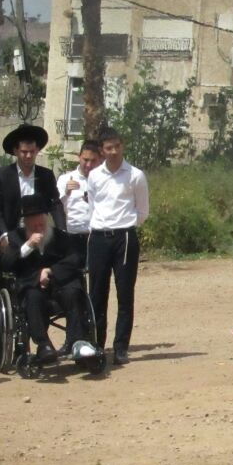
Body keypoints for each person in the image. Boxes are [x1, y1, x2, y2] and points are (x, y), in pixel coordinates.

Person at [0, 124, 62, 370]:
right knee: (0, 294)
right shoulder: (2, 176)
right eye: (23, 152)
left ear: (37, 151)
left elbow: (55, 204)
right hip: (10, 242)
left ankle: (40, 344)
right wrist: (4, 234)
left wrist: (61, 230)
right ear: (15, 152)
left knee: (38, 290)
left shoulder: (46, 176)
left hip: (39, 240)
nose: (28, 156)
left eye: (32, 151)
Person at [0, 194, 89, 363]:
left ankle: (78, 342)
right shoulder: (14, 238)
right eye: (34, 224)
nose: (38, 226)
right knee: (33, 298)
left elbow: (75, 259)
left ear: (46, 218)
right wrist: (28, 246)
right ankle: (43, 345)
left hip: (59, 286)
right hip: (31, 288)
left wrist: (50, 271)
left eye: (41, 222)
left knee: (74, 293)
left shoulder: (60, 237)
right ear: (25, 223)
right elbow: (6, 265)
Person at [87, 125, 149, 366]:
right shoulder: (94, 176)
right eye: (108, 148)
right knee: (97, 293)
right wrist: (102, 225)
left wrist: (124, 225)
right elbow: (93, 205)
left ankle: (121, 346)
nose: (113, 151)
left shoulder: (135, 175)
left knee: (125, 293)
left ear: (122, 146)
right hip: (99, 238)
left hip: (124, 238)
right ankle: (96, 345)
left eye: (117, 146)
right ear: (102, 151)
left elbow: (142, 211)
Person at [56, 139, 103, 267]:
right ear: (79, 157)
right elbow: (56, 207)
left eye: (93, 161)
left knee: (96, 277)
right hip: (72, 236)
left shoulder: (103, 181)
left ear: (100, 160)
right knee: (72, 276)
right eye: (85, 160)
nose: (88, 165)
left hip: (95, 236)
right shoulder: (65, 179)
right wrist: (67, 192)